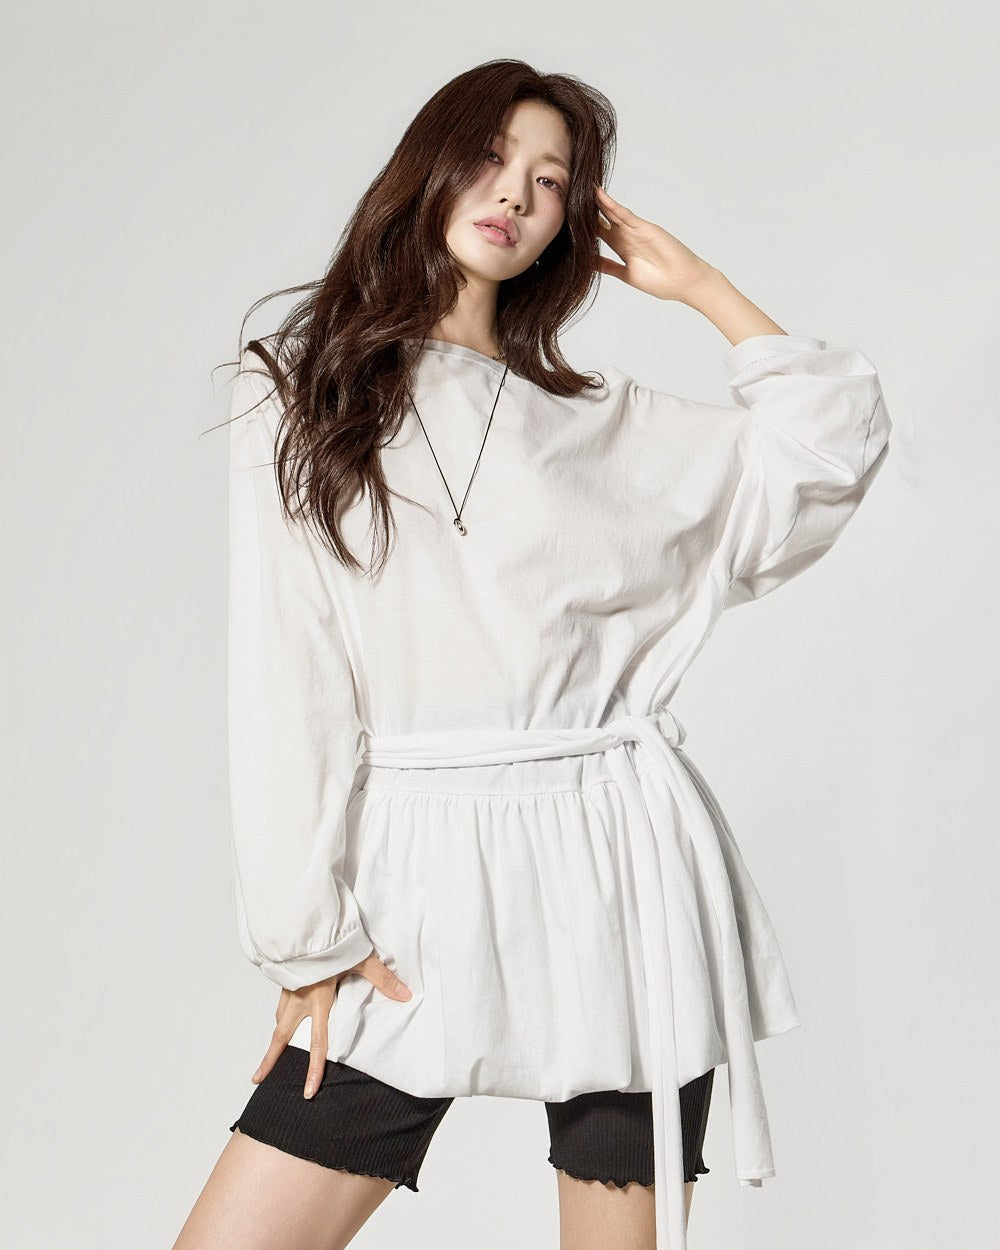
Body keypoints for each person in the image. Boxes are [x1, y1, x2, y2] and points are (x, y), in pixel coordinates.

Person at [175, 58, 891, 1250]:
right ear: (428, 165)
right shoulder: (300, 388)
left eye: (550, 179)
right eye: (491, 157)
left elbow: (824, 452)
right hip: (413, 874)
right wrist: (305, 932)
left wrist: (702, 287)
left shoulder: (601, 420)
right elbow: (287, 677)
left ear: (573, 219)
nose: (514, 192)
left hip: (620, 873)